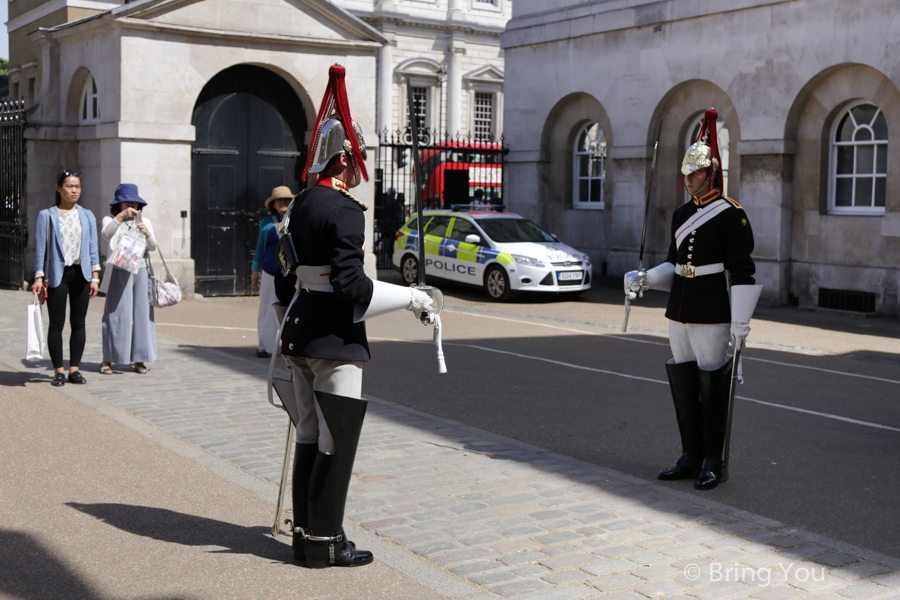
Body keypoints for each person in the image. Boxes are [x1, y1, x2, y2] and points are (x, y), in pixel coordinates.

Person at [273, 64, 434, 568]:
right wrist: (409, 298)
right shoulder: (344, 210)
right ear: (344, 159)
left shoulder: (299, 204)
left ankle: (303, 535)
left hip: (299, 330)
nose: (358, 167)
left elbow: (290, 274)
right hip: (333, 339)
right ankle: (325, 545)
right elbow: (351, 285)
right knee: (335, 440)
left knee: (306, 434)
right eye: (355, 159)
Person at [624, 108, 762, 490]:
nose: (689, 180)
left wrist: (740, 321)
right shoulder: (681, 213)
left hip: (712, 309)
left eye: (696, 173)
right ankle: (690, 454)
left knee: (712, 385)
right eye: (686, 174)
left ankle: (712, 460)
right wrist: (646, 278)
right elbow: (675, 264)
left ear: (712, 173)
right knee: (683, 381)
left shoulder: (731, 215)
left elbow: (743, 270)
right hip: (680, 308)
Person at [32, 169, 101, 387]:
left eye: (77, 186)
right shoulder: (47, 215)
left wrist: (95, 276)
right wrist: (38, 276)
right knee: (56, 324)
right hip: (57, 276)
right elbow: (41, 249)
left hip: (81, 273)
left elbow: (92, 248)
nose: (74, 190)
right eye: (69, 186)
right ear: (58, 188)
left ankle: (74, 370)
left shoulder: (88, 215)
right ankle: (58, 371)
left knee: (79, 323)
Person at [99, 184, 158, 375]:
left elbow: (153, 247)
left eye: (135, 201)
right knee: (116, 315)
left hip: (141, 271)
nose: (132, 204)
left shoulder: (145, 220)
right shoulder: (110, 219)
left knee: (142, 315)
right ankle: (108, 359)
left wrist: (147, 234)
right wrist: (121, 217)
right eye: (127, 201)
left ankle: (140, 359)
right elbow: (106, 235)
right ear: (119, 203)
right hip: (119, 270)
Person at [251, 186, 294, 358]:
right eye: (279, 200)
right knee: (267, 309)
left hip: (292, 274)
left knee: (291, 309)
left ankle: (289, 346)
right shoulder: (266, 223)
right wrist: (255, 270)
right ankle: (265, 346)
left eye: (286, 199)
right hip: (269, 271)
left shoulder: (298, 221)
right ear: (273, 204)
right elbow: (260, 247)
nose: (283, 202)